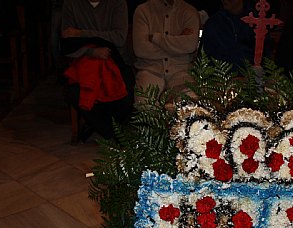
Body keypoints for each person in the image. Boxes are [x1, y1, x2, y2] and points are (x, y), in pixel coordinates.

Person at [61, 0, 133, 140]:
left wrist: (81, 34)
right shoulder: (71, 3)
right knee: (74, 93)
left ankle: (104, 128)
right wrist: (90, 51)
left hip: (115, 61)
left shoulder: (118, 3)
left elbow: (118, 38)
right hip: (84, 63)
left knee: (125, 97)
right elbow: (67, 42)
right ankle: (113, 134)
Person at [132, 0, 199, 102]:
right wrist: (178, 42)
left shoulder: (189, 12)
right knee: (145, 103)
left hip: (181, 71)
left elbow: (190, 46)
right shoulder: (143, 10)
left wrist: (156, 38)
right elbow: (141, 49)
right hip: (150, 69)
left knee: (189, 103)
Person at [200, 0, 270, 71]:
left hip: (251, 77)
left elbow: (265, 55)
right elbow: (204, 56)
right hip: (220, 77)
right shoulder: (213, 23)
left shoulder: (258, 22)